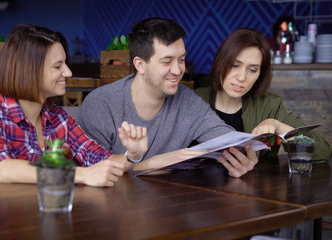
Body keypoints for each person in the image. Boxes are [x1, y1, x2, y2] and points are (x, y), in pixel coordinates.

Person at [0, 24, 148, 187]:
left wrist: (132, 154)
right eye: (57, 66)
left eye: (65, 64)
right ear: (29, 70)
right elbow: (2, 169)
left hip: (47, 212)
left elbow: (101, 159)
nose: (68, 72)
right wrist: (81, 174)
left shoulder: (58, 118)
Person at [77, 17, 259, 177]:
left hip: (169, 207)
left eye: (181, 60)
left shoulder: (187, 100)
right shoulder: (101, 104)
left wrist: (247, 156)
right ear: (140, 64)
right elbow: (93, 172)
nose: (178, 70)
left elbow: (230, 140)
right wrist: (152, 164)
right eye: (167, 61)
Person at [195, 28, 331, 163]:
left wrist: (278, 126)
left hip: (254, 183)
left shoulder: (270, 106)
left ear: (260, 74)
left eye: (252, 70)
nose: (242, 77)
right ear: (221, 62)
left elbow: (323, 153)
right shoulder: (193, 101)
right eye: (235, 65)